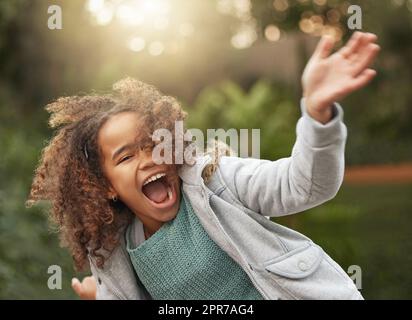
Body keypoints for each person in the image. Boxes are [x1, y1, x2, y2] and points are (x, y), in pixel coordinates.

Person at [27, 32, 380, 300]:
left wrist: (318, 116)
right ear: (104, 185)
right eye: (126, 156)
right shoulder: (112, 248)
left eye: (152, 142)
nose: (149, 158)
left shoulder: (215, 178)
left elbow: (303, 185)